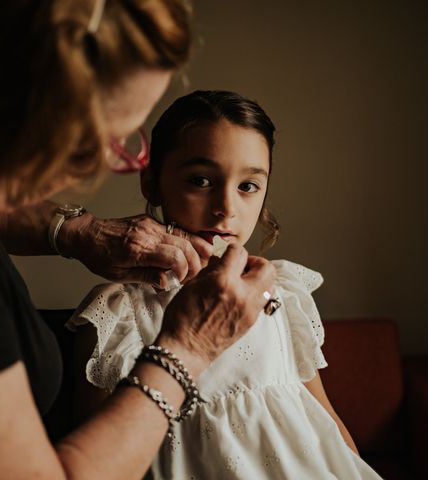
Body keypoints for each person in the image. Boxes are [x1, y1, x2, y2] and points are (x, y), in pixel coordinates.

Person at [0, 2, 277, 479]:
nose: (92, 169)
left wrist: (74, 231)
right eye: (89, 137)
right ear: (9, 91)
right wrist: (187, 348)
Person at [67, 90, 384, 479]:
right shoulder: (119, 314)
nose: (226, 208)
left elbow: (325, 421)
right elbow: (96, 460)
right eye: (200, 180)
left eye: (247, 186)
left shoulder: (278, 292)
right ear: (152, 183)